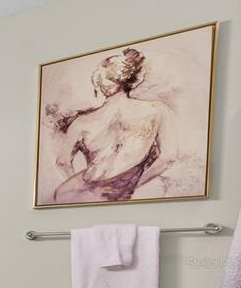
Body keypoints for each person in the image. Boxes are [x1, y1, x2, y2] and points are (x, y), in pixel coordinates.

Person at [45, 48, 180, 203]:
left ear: (98, 83)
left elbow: (63, 162)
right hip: (124, 192)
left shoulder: (81, 122)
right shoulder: (157, 110)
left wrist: (92, 192)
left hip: (78, 193)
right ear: (131, 80)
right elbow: (168, 158)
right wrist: (131, 186)